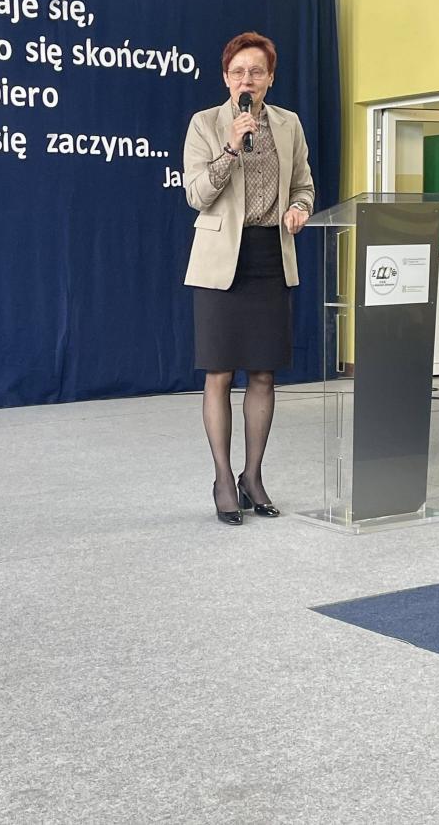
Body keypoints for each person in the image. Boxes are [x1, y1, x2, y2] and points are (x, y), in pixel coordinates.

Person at [183, 32, 314, 525]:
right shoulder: (205, 124)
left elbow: (303, 185)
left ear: (270, 78)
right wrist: (231, 148)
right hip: (221, 260)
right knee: (219, 372)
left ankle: (252, 477)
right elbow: (197, 194)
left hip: (269, 257)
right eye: (238, 72)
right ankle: (222, 479)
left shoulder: (289, 124)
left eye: (256, 71)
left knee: (263, 372)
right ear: (226, 78)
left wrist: (299, 208)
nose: (247, 80)